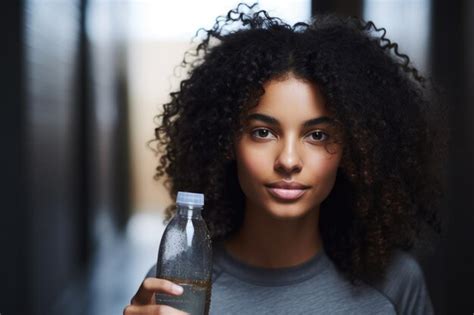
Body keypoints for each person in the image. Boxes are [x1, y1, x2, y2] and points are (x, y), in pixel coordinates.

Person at [123, 3, 448, 315]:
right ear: (226, 143)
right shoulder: (177, 286)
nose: (289, 160)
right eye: (263, 132)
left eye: (317, 135)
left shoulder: (395, 283)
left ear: (356, 149)